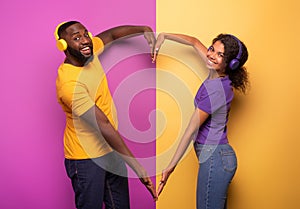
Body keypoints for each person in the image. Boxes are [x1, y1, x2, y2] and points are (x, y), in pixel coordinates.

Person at [54, 20, 157, 209]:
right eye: (76, 38)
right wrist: (139, 168)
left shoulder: (90, 54)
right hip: (86, 158)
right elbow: (103, 125)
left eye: (86, 34)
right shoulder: (69, 85)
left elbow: (111, 35)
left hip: (111, 150)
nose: (86, 40)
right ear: (63, 45)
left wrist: (144, 29)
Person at [152, 33, 249, 209]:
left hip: (215, 159)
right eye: (212, 49)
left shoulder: (216, 90)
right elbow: (194, 41)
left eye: (220, 55)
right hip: (218, 157)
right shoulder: (218, 74)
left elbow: (191, 131)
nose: (211, 55)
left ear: (231, 64)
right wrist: (164, 36)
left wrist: (170, 167)